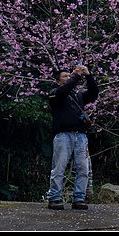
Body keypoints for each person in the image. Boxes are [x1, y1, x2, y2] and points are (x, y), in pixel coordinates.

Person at [46, 64, 98, 210]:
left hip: (81, 136)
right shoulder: (55, 93)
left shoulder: (78, 95)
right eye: (65, 76)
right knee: (59, 167)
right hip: (63, 135)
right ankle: (55, 198)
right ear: (57, 81)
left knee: (83, 169)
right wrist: (75, 75)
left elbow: (94, 94)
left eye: (69, 76)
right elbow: (63, 91)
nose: (68, 78)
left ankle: (79, 198)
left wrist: (88, 75)